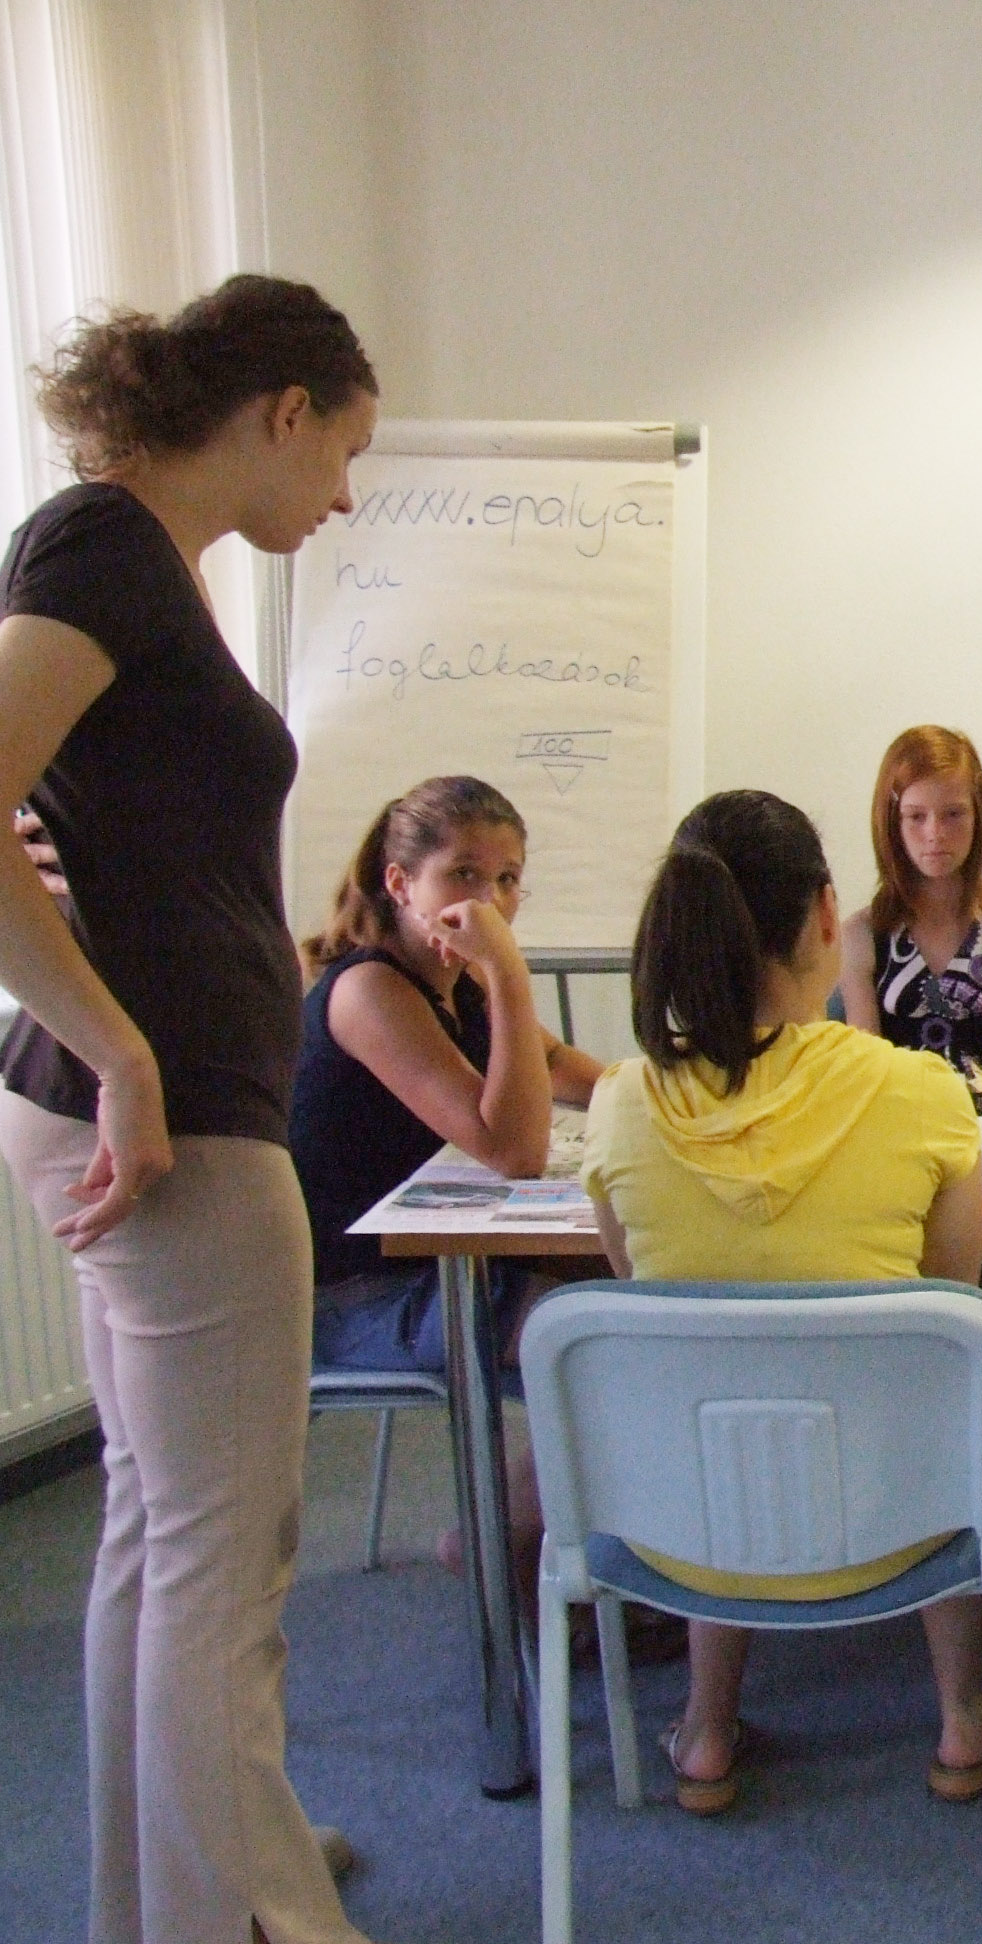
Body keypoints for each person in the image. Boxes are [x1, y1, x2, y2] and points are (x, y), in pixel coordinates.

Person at [0, 276, 379, 1944]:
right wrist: (126, 1054)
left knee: (161, 1537)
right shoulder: (103, 543)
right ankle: (264, 1919)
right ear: (280, 410)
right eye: (345, 450)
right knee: (226, 1559)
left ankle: (162, 1901)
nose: (344, 496)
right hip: (171, 1124)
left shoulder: (134, 558)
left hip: (160, 1105)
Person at [581, 790, 982, 1815]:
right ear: (827, 914)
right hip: (899, 1512)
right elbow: (954, 1306)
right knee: (946, 1392)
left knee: (713, 1380)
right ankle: (962, 1716)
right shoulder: (921, 1091)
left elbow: (643, 1300)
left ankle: (706, 1730)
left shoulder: (620, 1102)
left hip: (684, 1522)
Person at [293, 776, 601, 1373]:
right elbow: (515, 1152)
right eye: (463, 874)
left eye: (507, 879)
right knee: (595, 1334)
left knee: (642, 1271)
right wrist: (508, 970)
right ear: (400, 883)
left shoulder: (465, 977)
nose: (489, 902)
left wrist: (665, 1098)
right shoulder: (369, 990)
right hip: (358, 1295)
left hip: (448, 1260)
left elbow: (552, 1063)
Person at [839, 726, 982, 1075]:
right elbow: (864, 1069)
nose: (934, 833)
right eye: (916, 816)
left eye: (953, 814)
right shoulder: (858, 936)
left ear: (978, 817)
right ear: (891, 823)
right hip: (895, 1106)